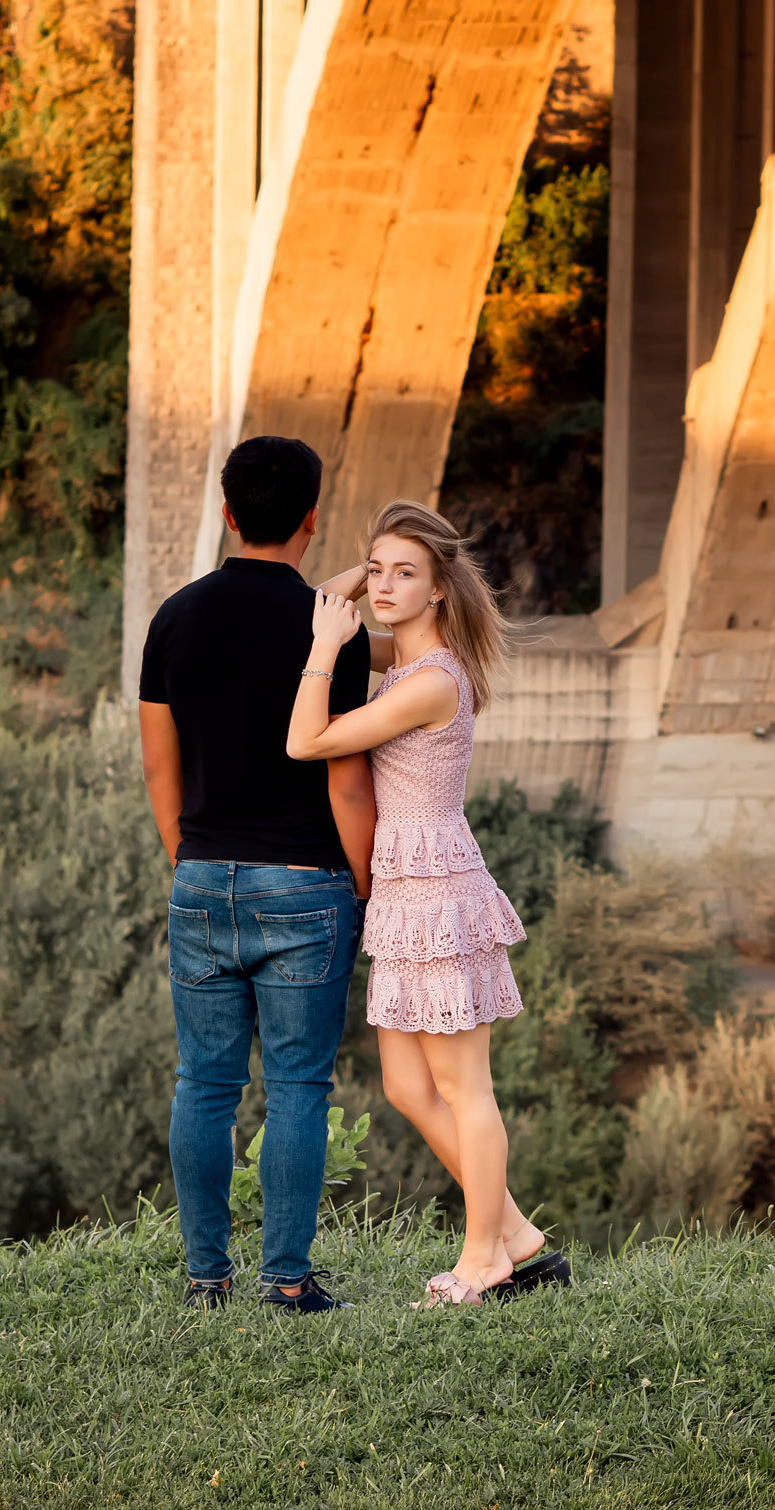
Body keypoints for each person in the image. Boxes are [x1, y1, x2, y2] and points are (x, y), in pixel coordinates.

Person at [290, 500, 568, 1306]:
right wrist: (372, 566)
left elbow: (305, 741)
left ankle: (485, 1257)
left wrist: (320, 650)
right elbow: (327, 597)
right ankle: (514, 1232)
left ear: (440, 589)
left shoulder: (431, 679)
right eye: (376, 570)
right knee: (409, 1090)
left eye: (405, 573)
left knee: (464, 1089)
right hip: (405, 898)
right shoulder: (400, 661)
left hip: (440, 895)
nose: (381, 585)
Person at [138, 435, 373, 1314]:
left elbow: (160, 764)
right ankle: (286, 1280)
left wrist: (186, 852)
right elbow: (347, 780)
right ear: (313, 518)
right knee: (299, 1086)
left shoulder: (176, 618)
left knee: (203, 1083)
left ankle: (206, 1279)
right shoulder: (331, 630)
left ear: (227, 511)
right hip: (307, 882)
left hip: (200, 875)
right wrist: (362, 881)